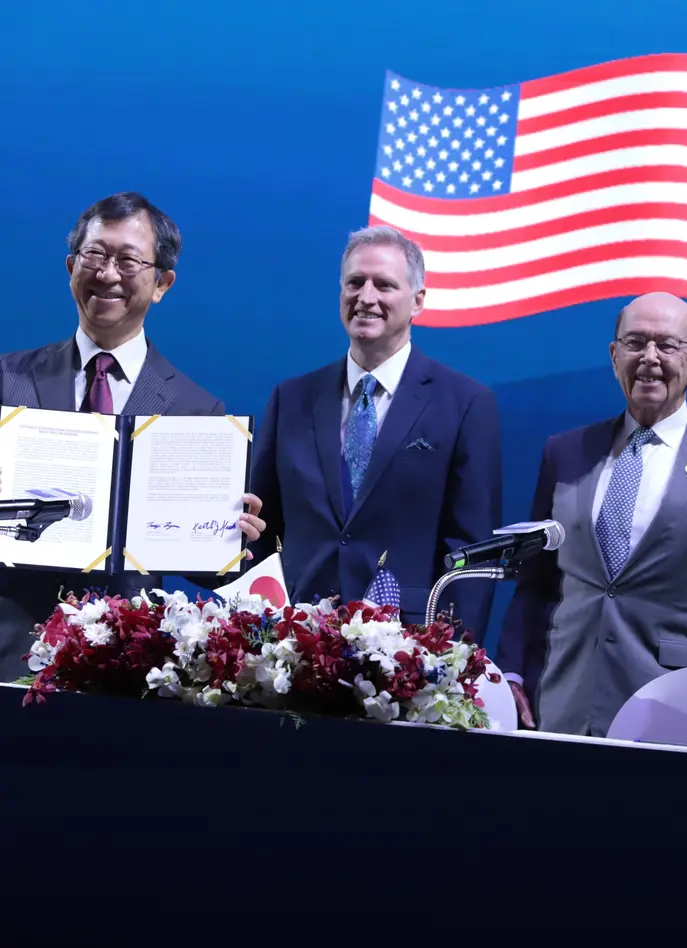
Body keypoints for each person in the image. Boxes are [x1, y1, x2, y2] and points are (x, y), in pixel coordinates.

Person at [0, 192, 265, 682]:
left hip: (124, 663)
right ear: (70, 267)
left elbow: (203, 564)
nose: (107, 274)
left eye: (127, 261)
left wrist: (231, 539)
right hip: (8, 647)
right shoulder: (7, 381)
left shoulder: (196, 410)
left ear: (162, 283)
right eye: (95, 255)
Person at [497, 292, 687, 736]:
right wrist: (511, 670)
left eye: (667, 345)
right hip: (562, 705)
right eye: (635, 342)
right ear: (614, 356)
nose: (649, 357)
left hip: (677, 715)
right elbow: (536, 582)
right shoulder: (564, 453)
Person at [250, 225, 502, 638]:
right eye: (355, 283)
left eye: (384, 285)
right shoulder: (291, 399)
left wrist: (451, 654)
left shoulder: (465, 404)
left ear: (418, 300)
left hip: (408, 648)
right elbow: (259, 530)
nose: (366, 297)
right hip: (296, 640)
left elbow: (471, 554)